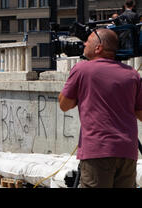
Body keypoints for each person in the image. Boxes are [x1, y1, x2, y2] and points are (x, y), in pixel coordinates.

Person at [59, 28, 142, 188]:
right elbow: (140, 113)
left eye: (88, 42)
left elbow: (64, 104)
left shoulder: (82, 69)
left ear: (99, 47)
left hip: (98, 150)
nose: (84, 44)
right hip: (127, 151)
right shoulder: (132, 74)